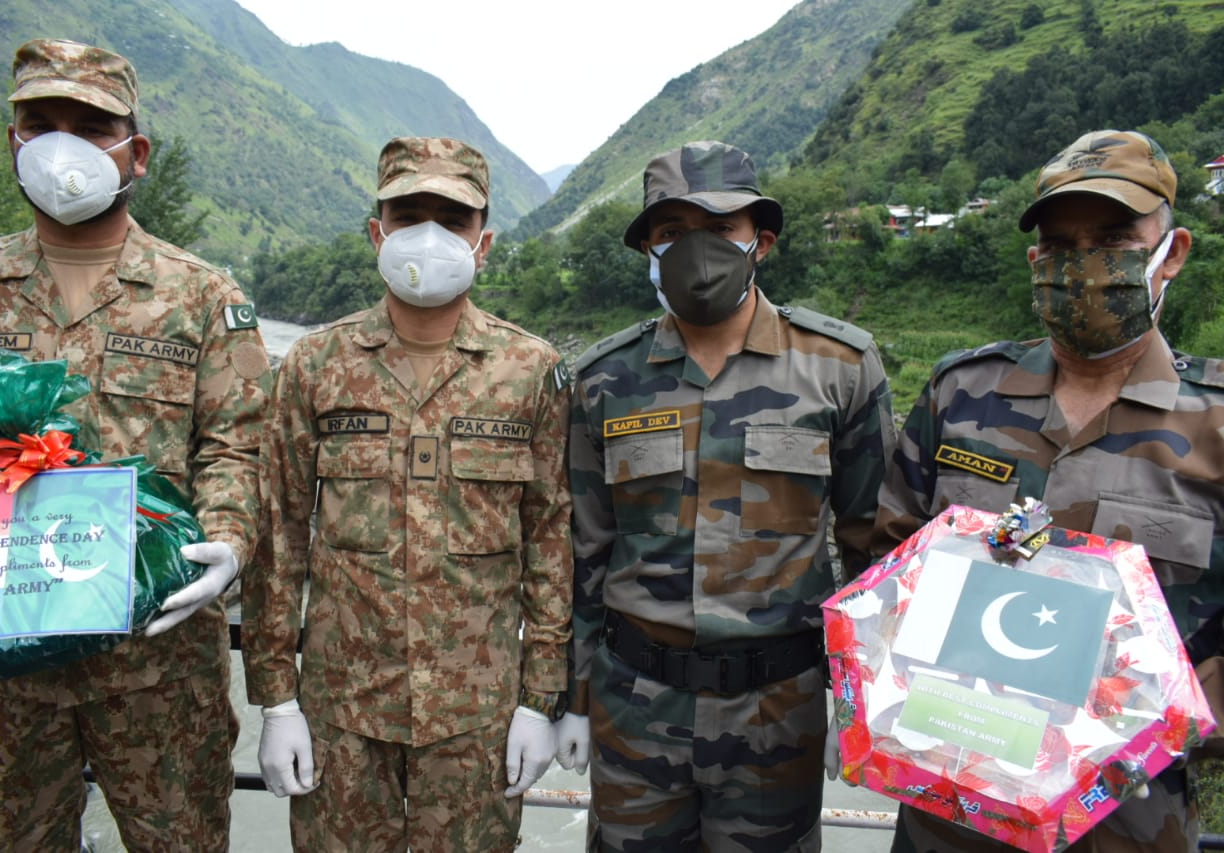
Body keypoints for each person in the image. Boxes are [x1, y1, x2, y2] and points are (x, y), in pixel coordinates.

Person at [0, 39, 271, 851]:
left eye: (91, 127)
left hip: (157, 662)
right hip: (1, 666)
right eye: (41, 124)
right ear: (13, 141)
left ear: (136, 151)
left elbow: (235, 447)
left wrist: (229, 540)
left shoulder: (203, 295)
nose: (63, 146)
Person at [873, 129, 1224, 852]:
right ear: (1036, 262)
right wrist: (871, 699)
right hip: (952, 801)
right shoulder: (960, 395)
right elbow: (889, 566)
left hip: (1126, 816)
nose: (1084, 265)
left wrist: (1169, 717)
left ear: (1172, 252)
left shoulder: (1215, 425)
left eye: (1115, 239)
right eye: (1062, 244)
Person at [558, 139, 897, 851]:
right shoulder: (603, 380)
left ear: (760, 241)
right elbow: (586, 554)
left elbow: (874, 551)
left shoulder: (839, 368)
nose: (695, 247)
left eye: (719, 228)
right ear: (649, 249)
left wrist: (863, 700)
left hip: (778, 712)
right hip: (635, 706)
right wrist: (572, 697)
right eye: (673, 230)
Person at [241, 136, 573, 851]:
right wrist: (276, 699)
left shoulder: (531, 369)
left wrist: (541, 698)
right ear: (377, 232)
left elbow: (550, 539)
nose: (429, 234)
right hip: (341, 713)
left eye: (452, 220)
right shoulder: (315, 364)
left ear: (484, 242)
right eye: (408, 215)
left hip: (477, 718)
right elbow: (279, 534)